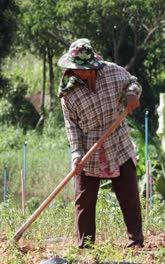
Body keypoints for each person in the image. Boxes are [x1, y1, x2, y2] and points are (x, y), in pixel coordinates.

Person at [57, 38, 144, 248]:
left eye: (83, 69)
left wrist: (132, 93)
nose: (79, 72)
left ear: (93, 67)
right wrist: (77, 155)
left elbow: (134, 82)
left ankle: (136, 241)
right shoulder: (68, 92)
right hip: (90, 150)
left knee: (129, 195)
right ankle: (85, 246)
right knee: (84, 201)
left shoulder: (113, 72)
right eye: (75, 68)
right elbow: (72, 128)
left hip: (118, 144)